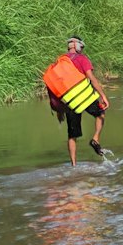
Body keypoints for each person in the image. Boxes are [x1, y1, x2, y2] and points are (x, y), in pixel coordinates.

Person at [49, 36, 109, 166]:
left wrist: (59, 109)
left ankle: (74, 165)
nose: (82, 49)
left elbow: (55, 85)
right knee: (101, 113)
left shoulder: (60, 62)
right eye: (81, 47)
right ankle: (95, 139)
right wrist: (103, 95)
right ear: (77, 46)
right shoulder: (82, 59)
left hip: (69, 102)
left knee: (72, 136)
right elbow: (91, 78)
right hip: (85, 97)